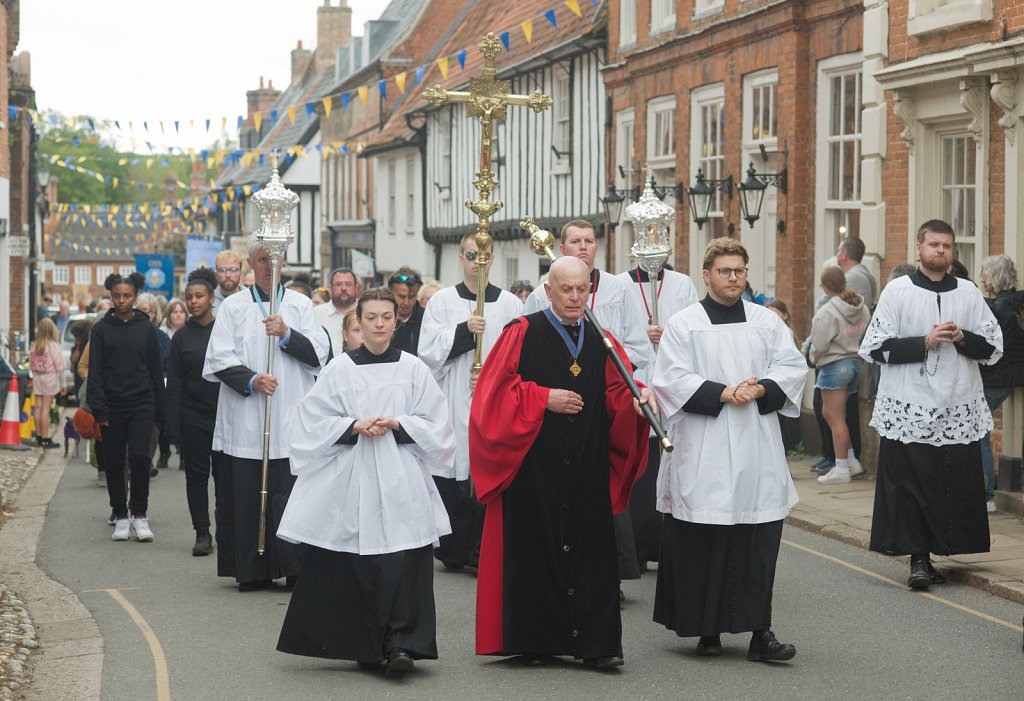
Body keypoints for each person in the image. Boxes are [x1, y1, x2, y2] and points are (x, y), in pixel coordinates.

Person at [469, 256, 654, 668]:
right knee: (534, 551)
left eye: (581, 289)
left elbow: (617, 389)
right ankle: (536, 640)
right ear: (548, 291)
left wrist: (639, 398)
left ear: (590, 290)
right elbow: (491, 395)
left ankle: (598, 645)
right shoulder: (523, 332)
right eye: (565, 289)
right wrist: (541, 397)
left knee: (592, 553)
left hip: (585, 461)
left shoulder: (600, 338)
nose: (574, 297)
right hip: (532, 464)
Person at [276, 287, 457, 676]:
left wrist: (398, 423)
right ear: (357, 321)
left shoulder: (412, 369)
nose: (378, 325)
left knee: (405, 559)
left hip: (401, 476)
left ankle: (403, 644)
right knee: (357, 562)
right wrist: (352, 425)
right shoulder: (340, 369)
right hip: (353, 475)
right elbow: (309, 423)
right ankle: (365, 644)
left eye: (386, 318)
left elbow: (439, 426)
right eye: (371, 317)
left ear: (397, 320)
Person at [651, 237, 807, 662]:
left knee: (757, 541)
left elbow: (792, 367)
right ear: (707, 275)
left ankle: (761, 634)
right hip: (705, 447)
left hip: (756, 445)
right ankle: (708, 631)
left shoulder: (766, 321)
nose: (733, 278)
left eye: (739, 270)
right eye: (724, 271)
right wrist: (722, 393)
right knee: (707, 539)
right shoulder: (685, 324)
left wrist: (759, 388)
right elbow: (669, 379)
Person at [860, 219, 1002, 590]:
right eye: (934, 244)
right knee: (912, 485)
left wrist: (961, 337)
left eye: (947, 246)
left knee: (950, 482)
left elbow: (991, 347)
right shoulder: (898, 291)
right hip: (910, 403)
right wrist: (925, 340)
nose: (941, 250)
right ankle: (918, 559)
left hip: (956, 401)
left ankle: (941, 550)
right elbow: (875, 347)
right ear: (919, 248)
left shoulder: (969, 293)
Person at [522, 220, 649, 583]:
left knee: (598, 493)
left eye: (589, 240)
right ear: (561, 249)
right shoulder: (538, 295)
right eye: (575, 241)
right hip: (553, 412)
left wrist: (624, 387)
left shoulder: (618, 289)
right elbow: (529, 349)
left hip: (600, 406)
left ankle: (606, 571)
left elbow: (633, 348)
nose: (583, 246)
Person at [203, 240, 330, 591]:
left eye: (274, 261)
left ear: (284, 262)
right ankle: (252, 569)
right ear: (250, 264)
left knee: (289, 494)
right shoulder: (234, 307)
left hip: (288, 417)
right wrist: (252, 379)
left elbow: (321, 354)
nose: (267, 267)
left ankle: (294, 566)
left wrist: (287, 334)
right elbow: (217, 358)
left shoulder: (302, 306)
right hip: (246, 419)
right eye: (261, 260)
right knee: (245, 495)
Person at [418, 232, 523, 571]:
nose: (477, 261)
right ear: (460, 259)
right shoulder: (442, 302)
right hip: (453, 398)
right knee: (454, 472)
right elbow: (428, 354)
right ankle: (454, 549)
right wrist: (464, 331)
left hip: (493, 400)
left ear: (491, 259)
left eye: (484, 255)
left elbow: (519, 357)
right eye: (470, 254)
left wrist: (493, 378)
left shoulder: (510, 305)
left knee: (487, 472)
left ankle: (483, 550)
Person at [618, 262, 697, 571]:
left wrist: (671, 336)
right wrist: (642, 338)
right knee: (638, 476)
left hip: (672, 388)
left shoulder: (681, 283)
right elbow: (612, 334)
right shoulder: (620, 286)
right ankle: (634, 550)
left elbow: (694, 329)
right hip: (636, 383)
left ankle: (668, 548)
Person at [87, 273, 165, 543]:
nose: (121, 300)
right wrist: (100, 410)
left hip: (142, 403)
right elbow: (95, 373)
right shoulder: (100, 329)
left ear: (135, 295)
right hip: (112, 406)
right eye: (116, 295)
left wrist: (160, 409)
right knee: (115, 461)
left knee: (141, 458)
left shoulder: (146, 328)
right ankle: (121, 515)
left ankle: (140, 515)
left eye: (127, 295)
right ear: (110, 295)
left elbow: (156, 370)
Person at [166, 268, 222, 557]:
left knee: (225, 477)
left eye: (199, 296)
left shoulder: (224, 331)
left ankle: (226, 528)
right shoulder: (182, 337)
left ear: (212, 298)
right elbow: (174, 383)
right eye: (189, 297)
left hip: (224, 415)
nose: (193, 302)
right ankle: (202, 532)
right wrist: (173, 427)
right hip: (193, 415)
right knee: (197, 476)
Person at [810, 267, 871, 485]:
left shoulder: (827, 312)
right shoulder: (860, 308)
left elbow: (818, 344)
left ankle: (841, 467)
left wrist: (813, 357)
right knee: (833, 414)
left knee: (835, 418)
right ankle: (852, 460)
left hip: (835, 365)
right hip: (855, 364)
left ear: (825, 287)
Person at [978, 255, 1024, 512]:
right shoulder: (1018, 303)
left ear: (994, 278)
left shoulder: (995, 309)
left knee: (978, 432)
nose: (982, 279)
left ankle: (985, 496)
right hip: (1015, 375)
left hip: (997, 378)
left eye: (985, 274)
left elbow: (992, 350)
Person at [137, 293, 172, 473]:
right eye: (143, 310)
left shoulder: (162, 338)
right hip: (133, 391)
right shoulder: (131, 334)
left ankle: (147, 461)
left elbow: (168, 366)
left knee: (152, 432)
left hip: (154, 392)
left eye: (150, 311)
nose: (147, 314)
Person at [29, 318, 66, 448]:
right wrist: (63, 385)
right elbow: (61, 367)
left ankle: (39, 436)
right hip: (49, 379)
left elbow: (30, 364)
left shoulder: (34, 345)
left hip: (37, 378)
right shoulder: (53, 346)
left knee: (38, 408)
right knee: (46, 408)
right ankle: (45, 438)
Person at [314, 267, 361, 352]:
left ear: (356, 288)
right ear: (330, 288)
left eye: (348, 284)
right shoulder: (316, 314)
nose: (343, 288)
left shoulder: (366, 312)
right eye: (338, 284)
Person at [389, 267, 424, 355]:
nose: (406, 302)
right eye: (401, 296)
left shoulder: (427, 318)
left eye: (412, 296)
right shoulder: (382, 319)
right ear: (391, 293)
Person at [835, 236, 878, 308]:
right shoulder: (864, 275)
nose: (837, 254)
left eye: (838, 250)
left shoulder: (851, 278)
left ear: (844, 255)